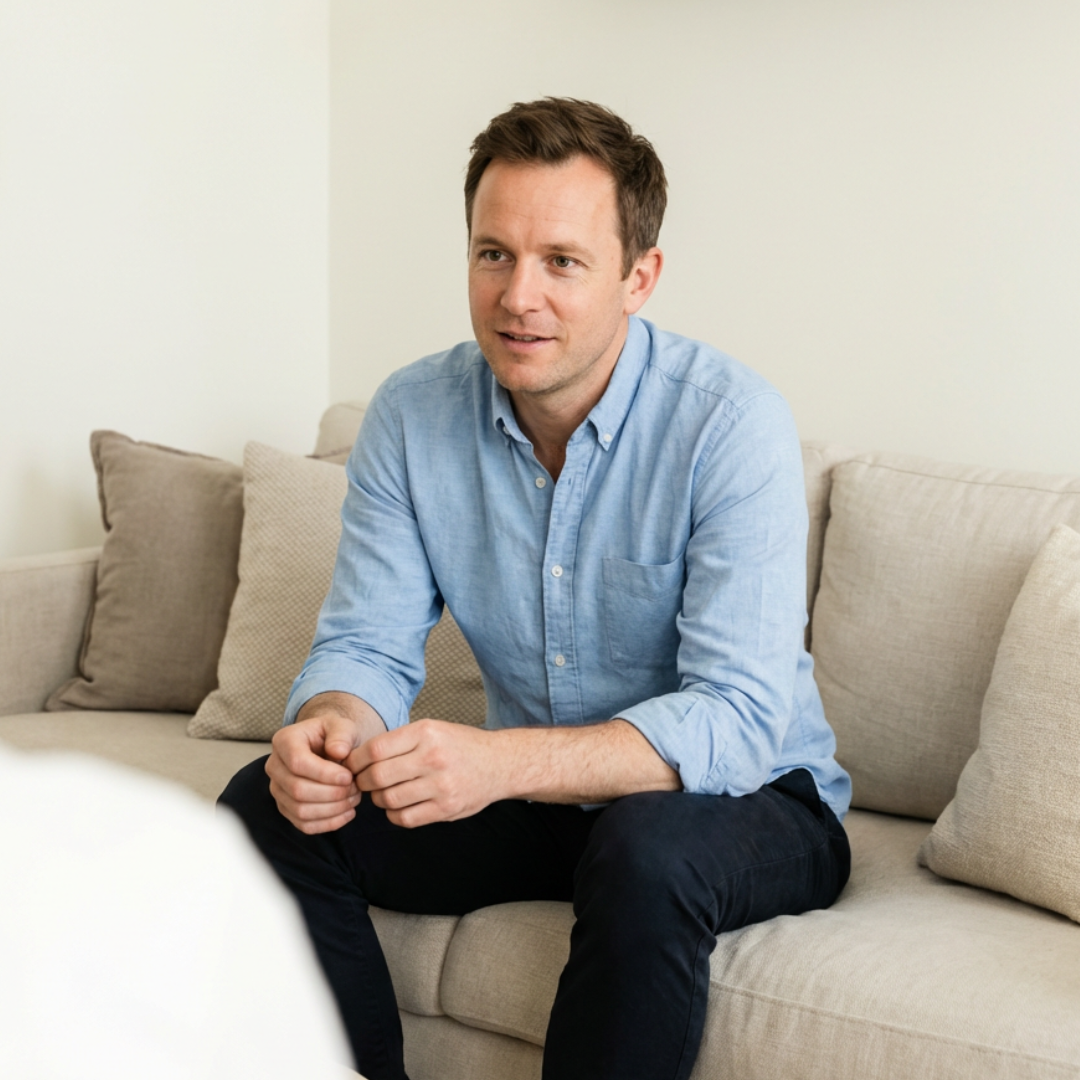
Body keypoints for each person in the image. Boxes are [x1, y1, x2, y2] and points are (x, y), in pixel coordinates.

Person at [220, 97, 852, 1080]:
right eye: (494, 254)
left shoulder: (730, 424)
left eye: (562, 261)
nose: (519, 297)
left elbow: (736, 720)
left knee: (644, 846)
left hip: (755, 798)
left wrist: (498, 763)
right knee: (267, 809)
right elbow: (368, 644)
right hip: (547, 800)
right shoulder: (411, 416)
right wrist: (331, 727)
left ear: (639, 277)